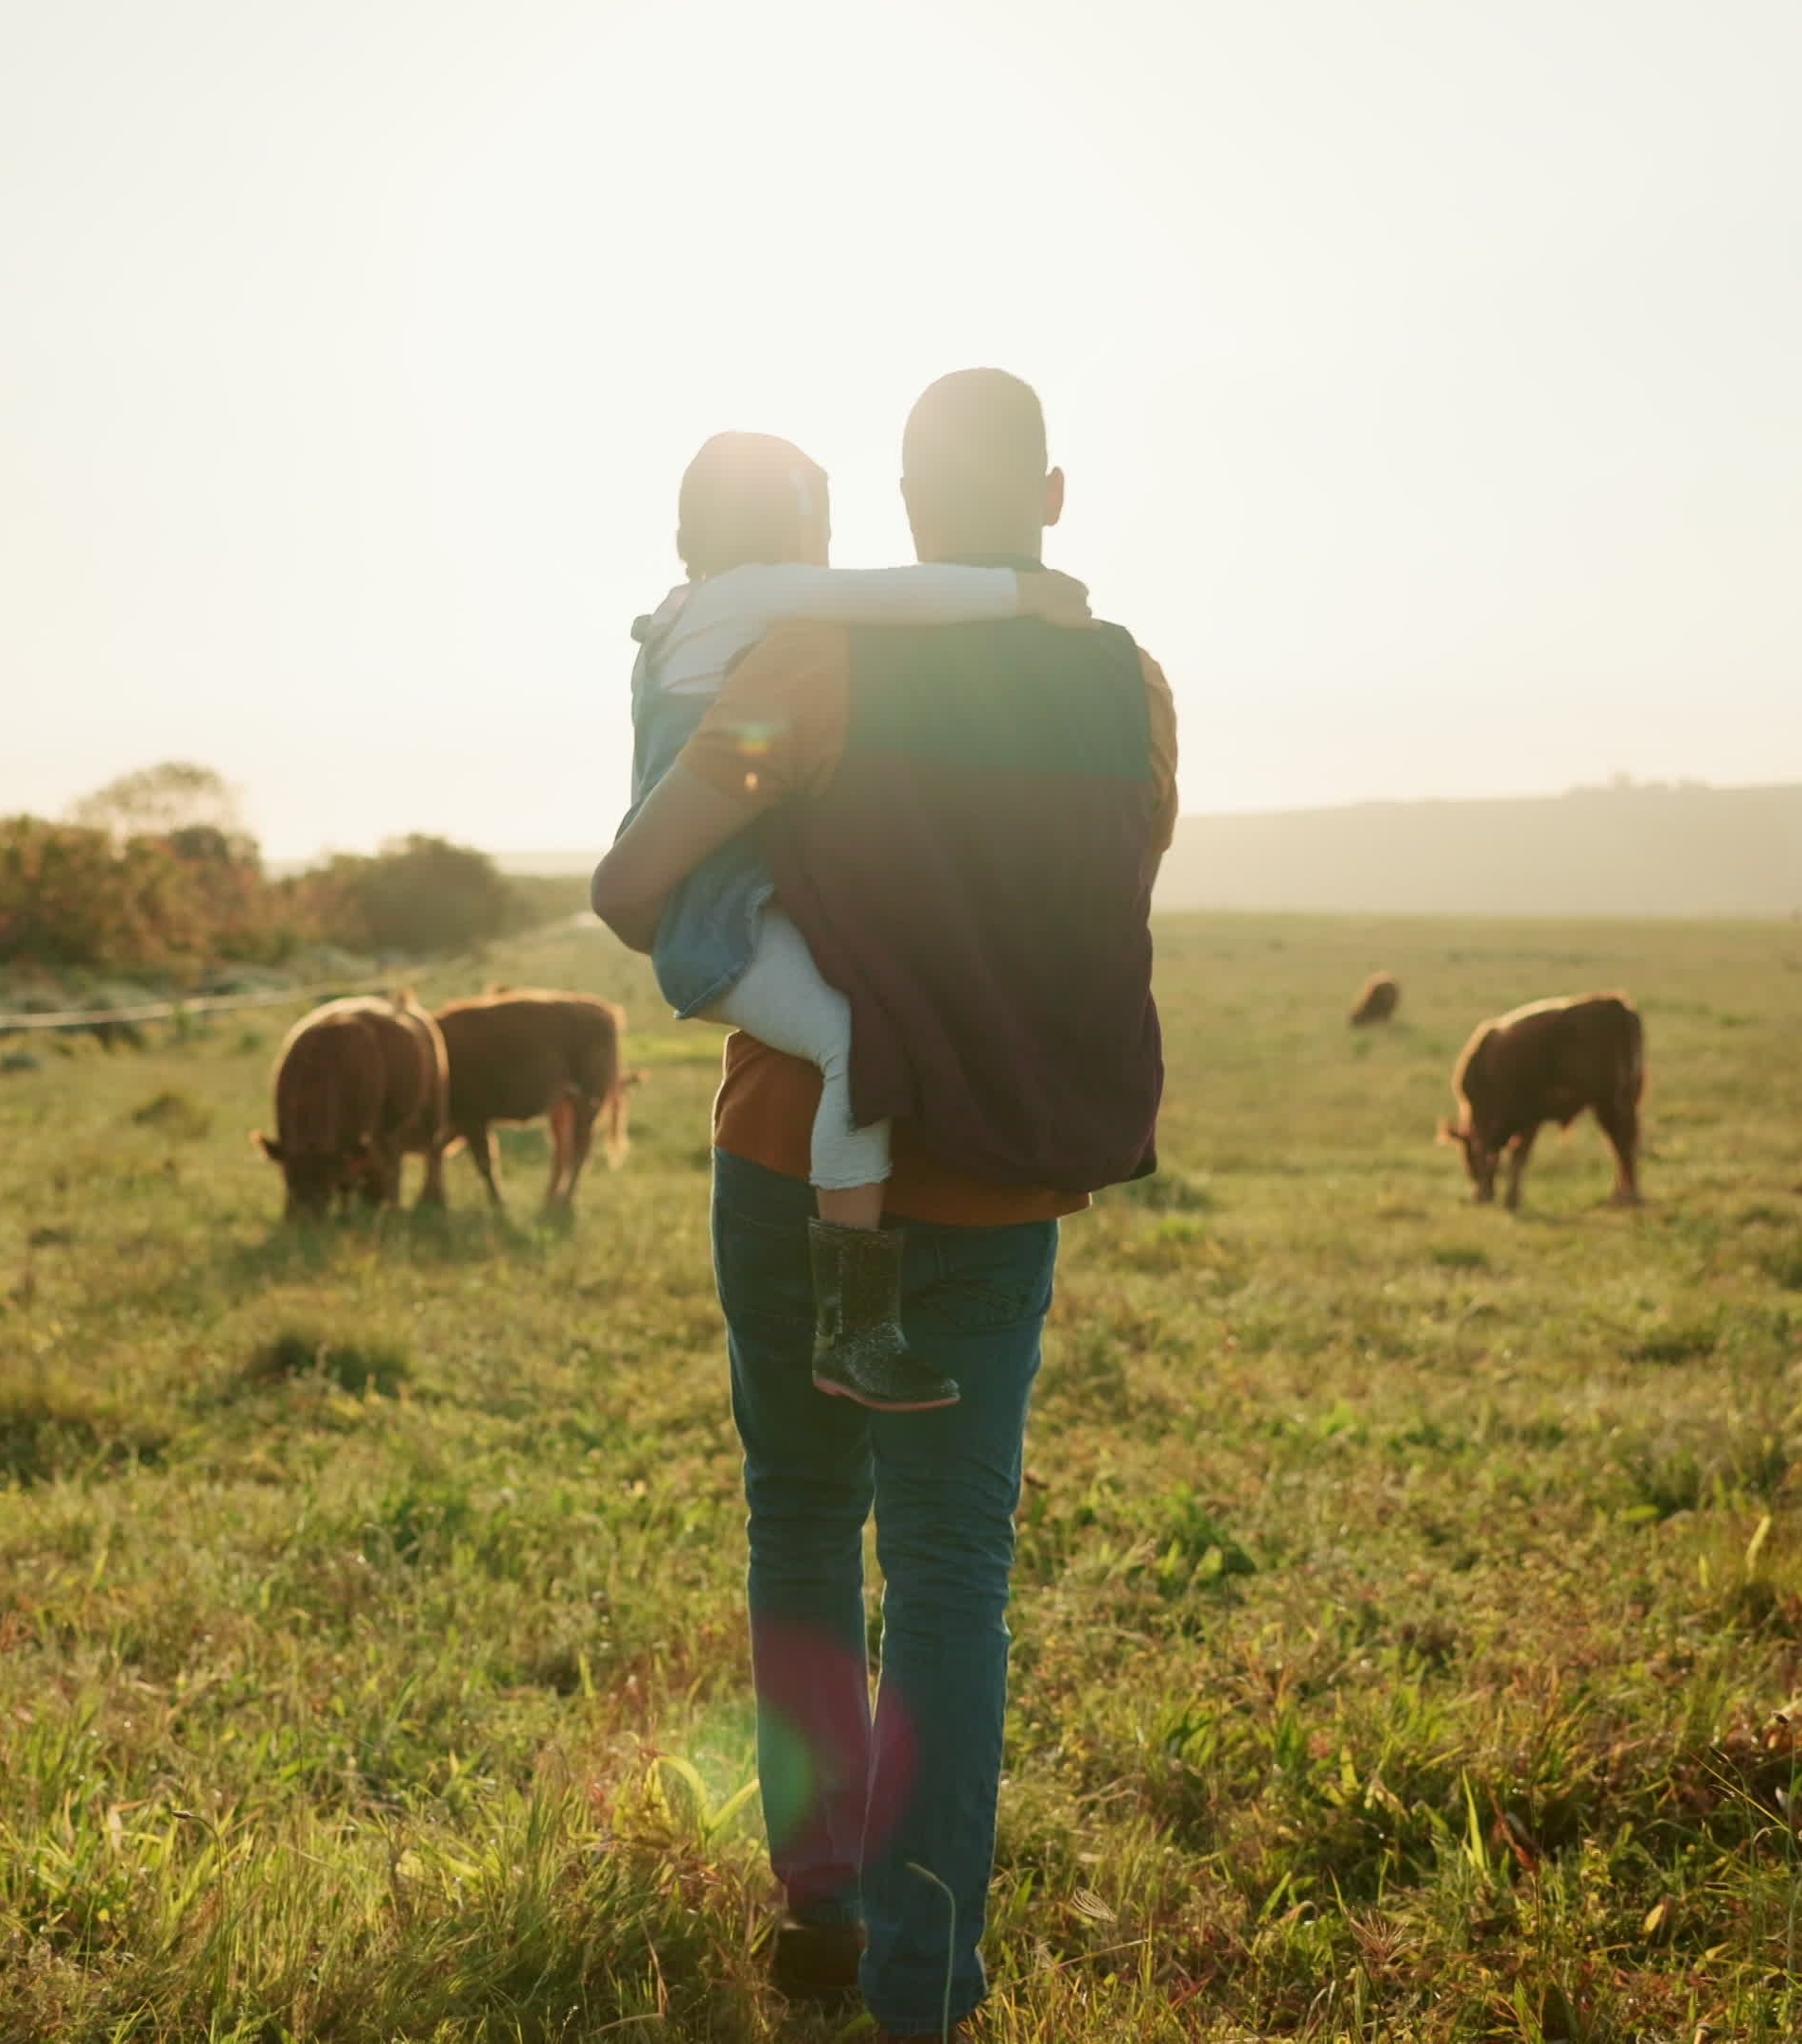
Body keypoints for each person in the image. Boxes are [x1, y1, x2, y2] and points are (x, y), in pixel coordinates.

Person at [593, 369, 1175, 2041]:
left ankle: (818, 1918)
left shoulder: (814, 657)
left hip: (791, 1161)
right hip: (999, 1179)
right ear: (1047, 501)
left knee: (799, 1524)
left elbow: (638, 887)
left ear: (899, 516)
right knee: (949, 1580)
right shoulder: (1130, 689)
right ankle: (925, 2001)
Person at [624, 430, 1090, 1411]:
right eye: (821, 525)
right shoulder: (753, 597)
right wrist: (1023, 597)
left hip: (731, 902)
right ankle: (856, 1327)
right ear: (787, 529)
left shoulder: (685, 613)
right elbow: (897, 599)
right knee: (855, 1040)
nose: (831, 551)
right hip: (724, 916)